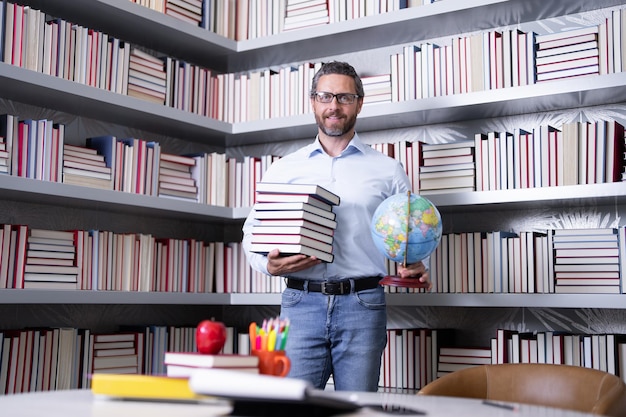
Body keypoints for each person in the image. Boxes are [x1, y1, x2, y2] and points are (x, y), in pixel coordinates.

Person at [242, 61, 430, 392]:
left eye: (344, 97)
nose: (334, 106)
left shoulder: (388, 170)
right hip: (300, 304)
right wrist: (267, 265)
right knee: (292, 409)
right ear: (312, 101)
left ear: (359, 102)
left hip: (363, 305)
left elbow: (407, 232)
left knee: (358, 409)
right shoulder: (284, 169)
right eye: (325, 96)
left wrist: (415, 263)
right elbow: (252, 232)